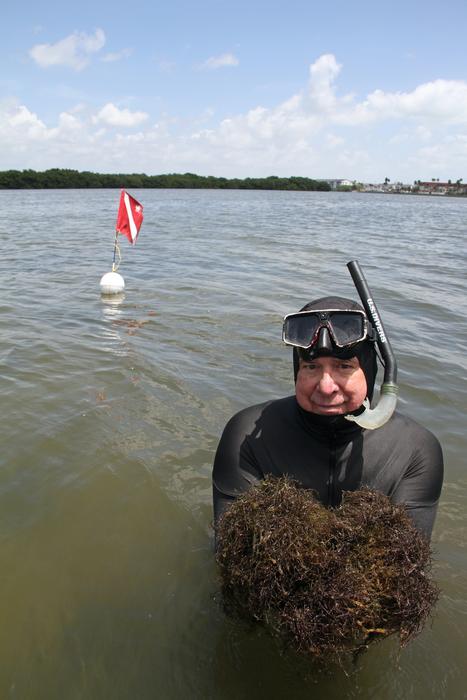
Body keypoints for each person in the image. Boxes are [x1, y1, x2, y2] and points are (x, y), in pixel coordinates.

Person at [212, 296, 444, 541]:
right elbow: (233, 554)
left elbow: (405, 564)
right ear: (296, 370)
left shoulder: (415, 450)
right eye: (311, 367)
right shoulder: (246, 437)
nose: (326, 387)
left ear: (370, 370)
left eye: (343, 366)